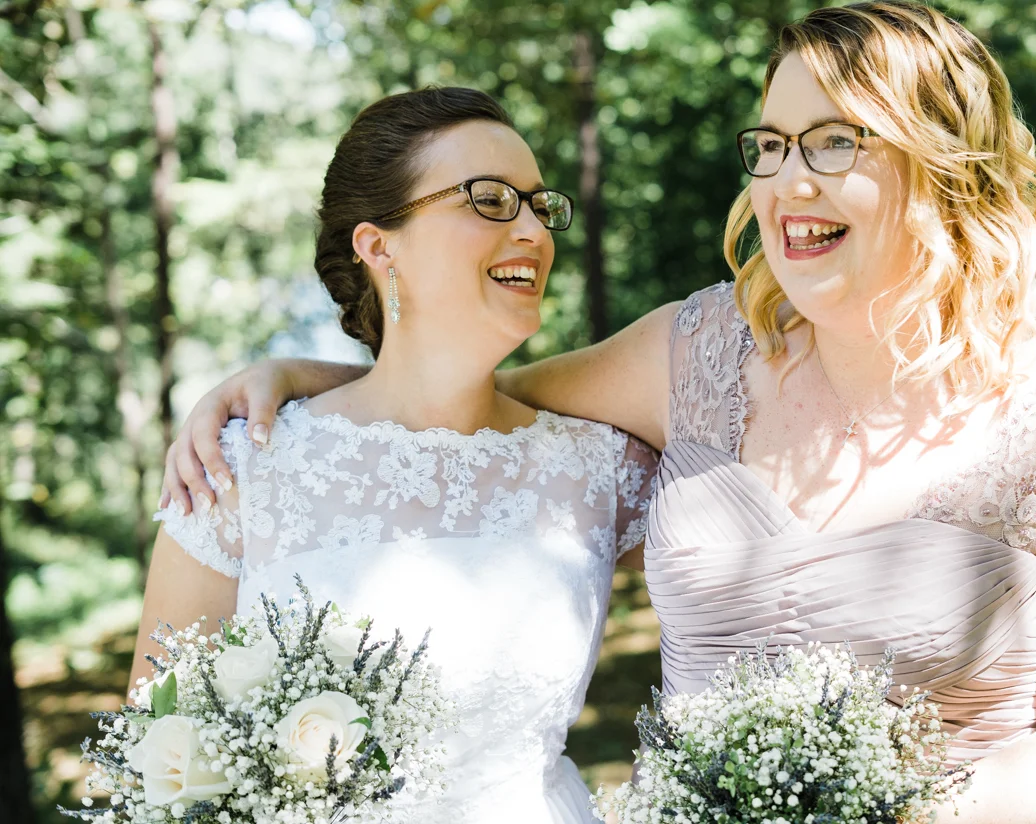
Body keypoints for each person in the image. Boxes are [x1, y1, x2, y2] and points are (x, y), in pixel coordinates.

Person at [163, 4, 1036, 822]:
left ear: (942, 160)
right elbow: (466, 406)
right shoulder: (699, 349)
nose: (785, 182)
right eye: (771, 145)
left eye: (832, 142)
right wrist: (305, 377)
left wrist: (923, 813)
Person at [133, 86, 657, 824]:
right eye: (490, 199)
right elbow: (158, 761)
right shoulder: (241, 465)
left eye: (540, 205)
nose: (534, 230)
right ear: (380, 247)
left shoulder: (599, 468)